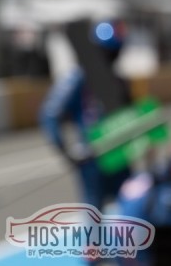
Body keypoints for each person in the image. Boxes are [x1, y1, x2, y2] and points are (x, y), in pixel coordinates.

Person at [39, 19, 132, 209]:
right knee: (94, 210)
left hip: (119, 153)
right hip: (92, 156)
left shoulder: (119, 81)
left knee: (130, 205)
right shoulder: (77, 79)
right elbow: (50, 114)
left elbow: (131, 114)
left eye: (114, 53)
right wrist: (67, 150)